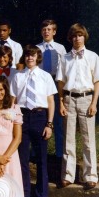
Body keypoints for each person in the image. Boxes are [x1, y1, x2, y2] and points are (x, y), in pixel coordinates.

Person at [56, 23, 99, 190]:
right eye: (74, 36)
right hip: (69, 99)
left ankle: (90, 175)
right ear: (70, 38)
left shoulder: (93, 57)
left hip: (86, 99)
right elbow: (61, 82)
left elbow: (97, 81)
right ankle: (68, 175)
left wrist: (94, 103)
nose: (77, 39)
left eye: (80, 35)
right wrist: (61, 102)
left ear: (84, 37)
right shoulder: (65, 58)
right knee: (68, 139)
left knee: (88, 138)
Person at [10, 45, 56, 197]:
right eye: (27, 55)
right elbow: (13, 101)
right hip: (22, 116)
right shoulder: (17, 76)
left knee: (41, 158)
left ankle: (41, 196)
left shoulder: (45, 77)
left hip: (39, 116)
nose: (30, 58)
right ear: (25, 57)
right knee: (22, 158)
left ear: (38, 58)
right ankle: (25, 194)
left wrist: (49, 124)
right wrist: (12, 121)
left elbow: (51, 102)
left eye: (33, 55)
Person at [36, 19, 67, 160]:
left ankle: (60, 154)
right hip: (41, 85)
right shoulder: (37, 49)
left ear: (54, 31)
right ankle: (38, 153)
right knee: (41, 119)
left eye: (49, 29)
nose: (46, 32)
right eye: (44, 29)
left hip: (56, 83)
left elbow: (65, 69)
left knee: (58, 121)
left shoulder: (60, 48)